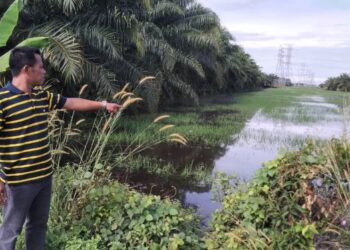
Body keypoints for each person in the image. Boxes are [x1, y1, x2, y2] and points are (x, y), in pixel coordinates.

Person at [0, 46, 120, 249]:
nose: (44, 71)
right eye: (41, 66)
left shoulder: (41, 96)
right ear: (27, 69)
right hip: (19, 182)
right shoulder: (2, 100)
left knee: (37, 227)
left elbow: (71, 102)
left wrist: (102, 105)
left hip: (44, 178)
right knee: (10, 232)